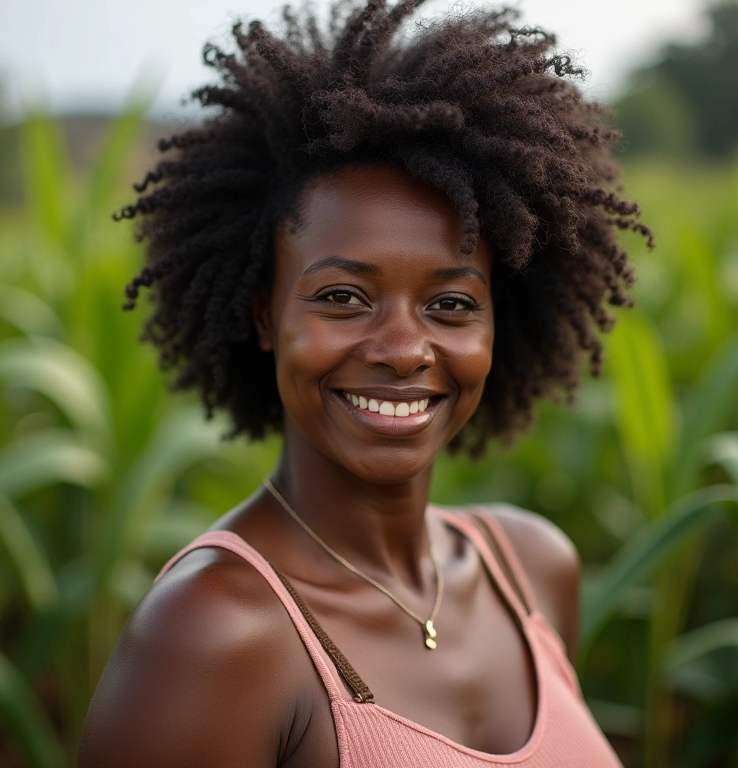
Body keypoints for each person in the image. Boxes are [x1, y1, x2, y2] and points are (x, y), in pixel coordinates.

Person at [78, 2, 652, 765]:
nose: (405, 349)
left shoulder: (533, 569)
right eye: (343, 297)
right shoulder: (218, 631)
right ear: (262, 314)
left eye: (451, 304)